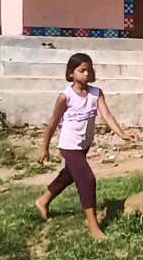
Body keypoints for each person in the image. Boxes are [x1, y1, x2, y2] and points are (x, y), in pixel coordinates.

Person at [36, 53, 134, 239]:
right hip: (69, 145)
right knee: (87, 180)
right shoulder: (65, 97)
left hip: (84, 144)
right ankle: (94, 227)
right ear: (71, 73)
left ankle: (43, 200)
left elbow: (107, 115)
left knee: (69, 175)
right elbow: (53, 123)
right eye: (82, 70)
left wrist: (121, 133)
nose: (86, 74)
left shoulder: (96, 93)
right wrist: (44, 147)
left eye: (89, 70)